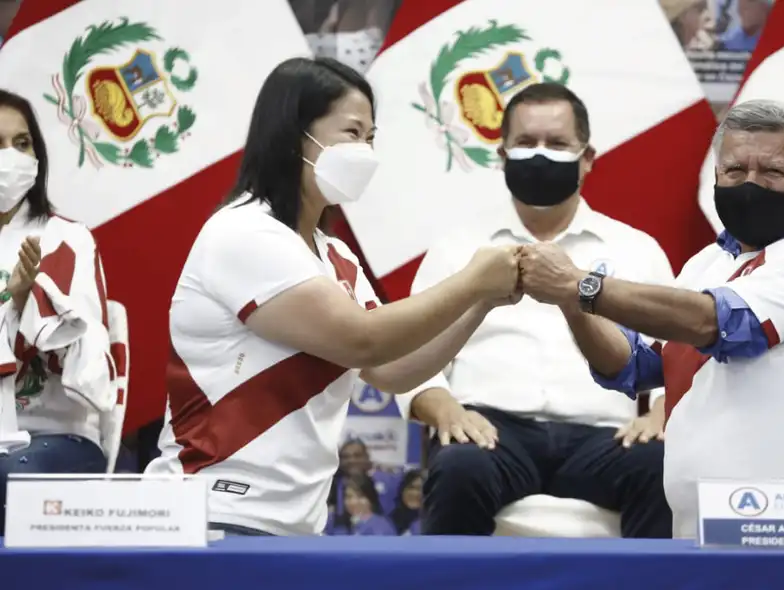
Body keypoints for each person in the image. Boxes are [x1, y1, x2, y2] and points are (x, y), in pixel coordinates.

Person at [144, 57, 521, 537]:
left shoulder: (334, 254)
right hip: (215, 516)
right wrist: (471, 280)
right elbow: (362, 341)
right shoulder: (244, 234)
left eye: (371, 137)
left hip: (298, 524)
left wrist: (482, 302)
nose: (365, 151)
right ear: (297, 133)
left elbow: (390, 368)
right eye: (352, 133)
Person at [517, 99, 784, 539]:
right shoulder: (705, 265)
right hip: (704, 532)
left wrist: (581, 285)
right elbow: (631, 366)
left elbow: (717, 324)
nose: (750, 184)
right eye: (734, 171)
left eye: (771, 172)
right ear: (716, 176)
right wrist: (570, 302)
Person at [399, 82, 675, 538]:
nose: (541, 155)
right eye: (526, 143)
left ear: (587, 159)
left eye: (558, 144)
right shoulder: (458, 247)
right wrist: (445, 408)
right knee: (459, 468)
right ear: (503, 156)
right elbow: (413, 357)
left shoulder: (636, 249)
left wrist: (661, 413)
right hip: (491, 430)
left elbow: (674, 355)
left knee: (658, 464)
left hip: (605, 435)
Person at [0, 89, 112, 531]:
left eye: (22, 143)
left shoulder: (66, 240)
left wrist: (27, 302)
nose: (9, 157)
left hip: (53, 436)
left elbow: (84, 365)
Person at [388, 468, 422, 535]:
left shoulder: (433, 522)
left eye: (420, 489)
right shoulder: (389, 522)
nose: (415, 493)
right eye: (411, 487)